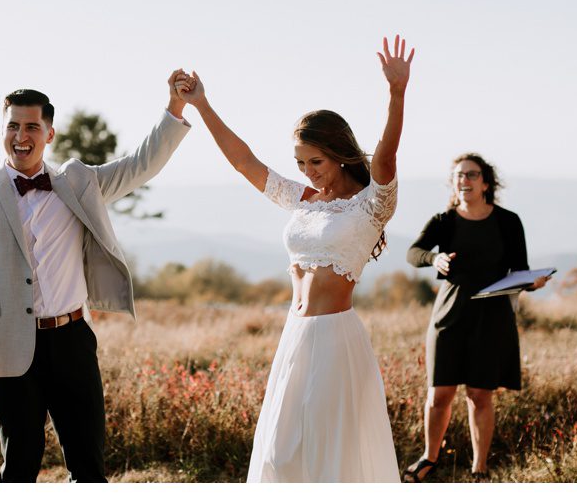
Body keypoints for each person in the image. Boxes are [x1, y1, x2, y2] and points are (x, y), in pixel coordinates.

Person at [173, 36, 412, 482]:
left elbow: (386, 156)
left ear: (340, 155)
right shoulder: (304, 200)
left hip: (335, 338)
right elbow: (245, 162)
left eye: (316, 161)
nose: (308, 171)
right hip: (295, 334)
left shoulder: (370, 206)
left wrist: (396, 93)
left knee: (326, 450)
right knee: (281, 452)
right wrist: (202, 104)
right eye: (301, 162)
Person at [0, 78, 192, 482]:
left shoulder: (78, 182)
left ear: (49, 134)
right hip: (9, 346)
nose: (20, 136)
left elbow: (140, 164)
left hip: (72, 339)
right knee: (19, 467)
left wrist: (174, 108)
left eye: (31, 127)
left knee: (89, 468)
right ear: (3, 131)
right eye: (12, 127)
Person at [402, 153, 549, 482]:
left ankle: (480, 469)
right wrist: (434, 258)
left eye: (471, 175)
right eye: (458, 176)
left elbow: (519, 270)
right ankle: (430, 458)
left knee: (479, 394)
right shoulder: (444, 221)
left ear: (486, 183)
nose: (463, 180)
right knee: (439, 394)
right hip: (450, 315)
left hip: (492, 316)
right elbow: (413, 253)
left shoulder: (508, 222)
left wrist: (533, 283)